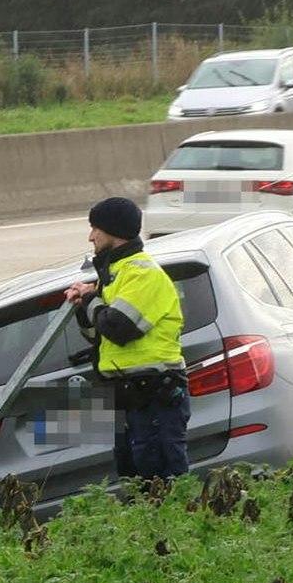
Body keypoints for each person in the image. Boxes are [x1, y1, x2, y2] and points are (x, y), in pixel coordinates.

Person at [62, 195, 188, 485]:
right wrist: (84, 307)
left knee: (162, 486)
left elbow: (120, 329)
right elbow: (99, 334)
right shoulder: (114, 277)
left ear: (114, 231)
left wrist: (92, 298)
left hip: (156, 396)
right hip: (128, 398)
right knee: (135, 484)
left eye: (96, 228)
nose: (90, 236)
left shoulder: (142, 273)